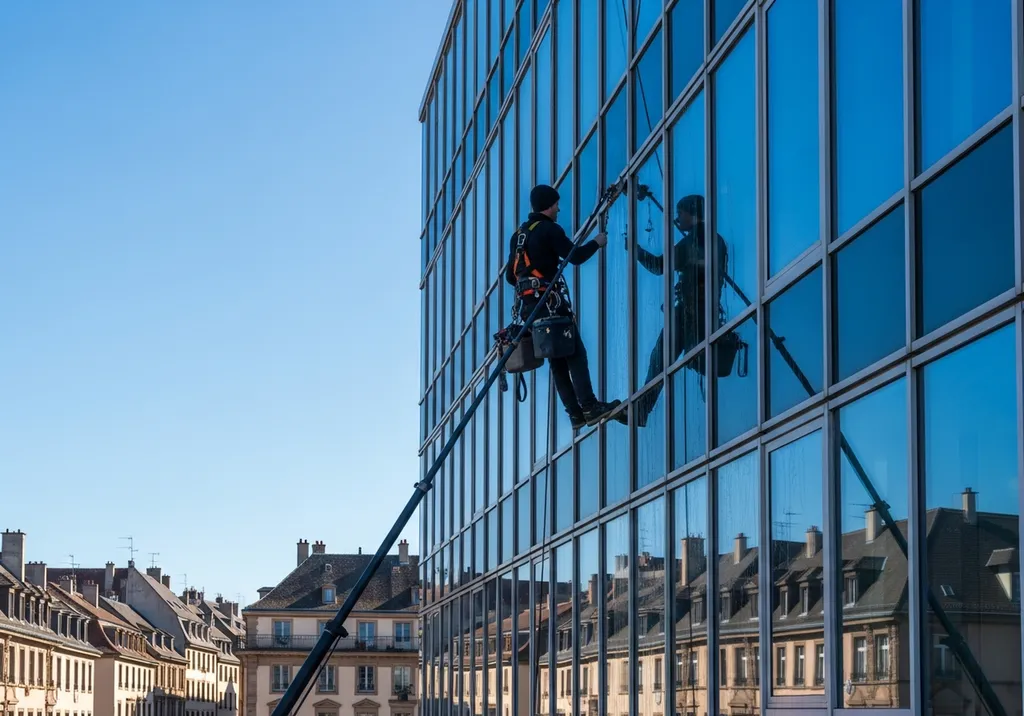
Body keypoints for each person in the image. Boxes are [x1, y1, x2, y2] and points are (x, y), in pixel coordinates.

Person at [505, 184, 626, 430]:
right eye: (557, 204)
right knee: (575, 354)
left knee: (556, 361)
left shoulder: (518, 236)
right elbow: (577, 256)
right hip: (551, 305)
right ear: (549, 205)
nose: (559, 209)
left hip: (531, 309)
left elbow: (511, 276)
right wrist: (597, 242)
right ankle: (590, 407)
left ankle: (575, 414)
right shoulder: (550, 229)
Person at [634, 194, 728, 426]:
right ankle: (642, 409)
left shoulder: (695, 240)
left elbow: (659, 266)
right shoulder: (715, 240)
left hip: (689, 312)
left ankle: (642, 409)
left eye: (680, 213)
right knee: (665, 357)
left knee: (659, 358)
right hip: (703, 310)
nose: (677, 218)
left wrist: (634, 250)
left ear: (691, 214)